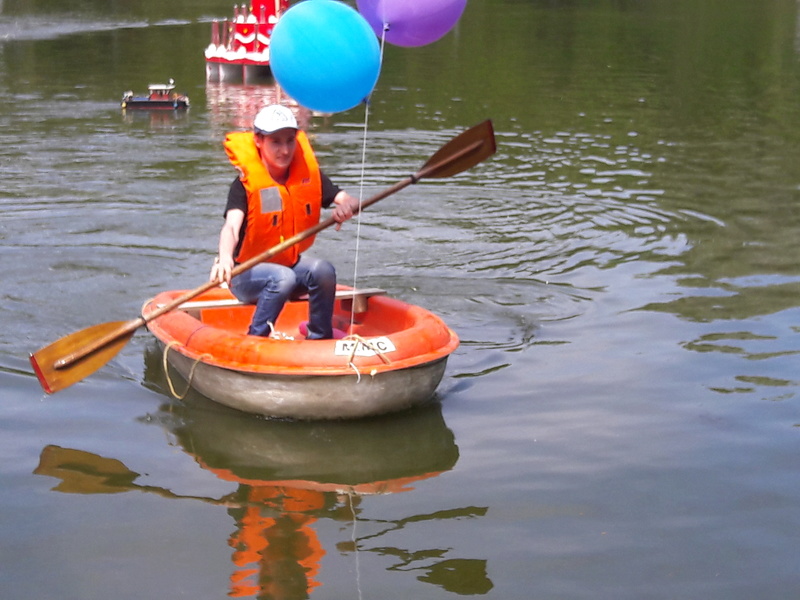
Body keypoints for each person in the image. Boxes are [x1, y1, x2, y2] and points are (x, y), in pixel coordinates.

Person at [209, 104, 360, 339]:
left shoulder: (308, 175)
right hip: (246, 274)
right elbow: (231, 226)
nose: (285, 150)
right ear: (259, 140)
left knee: (323, 270)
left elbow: (345, 198)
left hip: (288, 265)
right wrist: (225, 257)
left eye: (290, 140)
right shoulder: (244, 185)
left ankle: (319, 335)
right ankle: (255, 338)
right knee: (282, 278)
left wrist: (347, 205)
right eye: (276, 142)